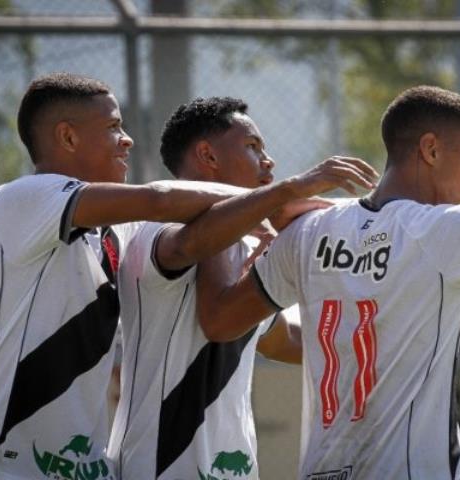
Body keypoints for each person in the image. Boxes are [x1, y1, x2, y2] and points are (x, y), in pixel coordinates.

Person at [0, 74, 375, 480]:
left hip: (82, 469)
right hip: (2, 466)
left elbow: (281, 338)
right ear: (67, 136)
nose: (127, 139)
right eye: (113, 126)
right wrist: (283, 195)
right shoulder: (22, 200)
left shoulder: (118, 233)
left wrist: (376, 342)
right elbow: (163, 201)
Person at [196, 58, 460, 479]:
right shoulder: (443, 231)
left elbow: (221, 321)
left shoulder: (310, 231)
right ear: (430, 150)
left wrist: (218, 213)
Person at [106, 97, 377, 479]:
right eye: (252, 147)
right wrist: (281, 198)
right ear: (208, 156)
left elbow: (280, 341)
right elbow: (213, 310)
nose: (268, 162)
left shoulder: (245, 245)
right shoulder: (157, 231)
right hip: (162, 467)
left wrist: (371, 349)